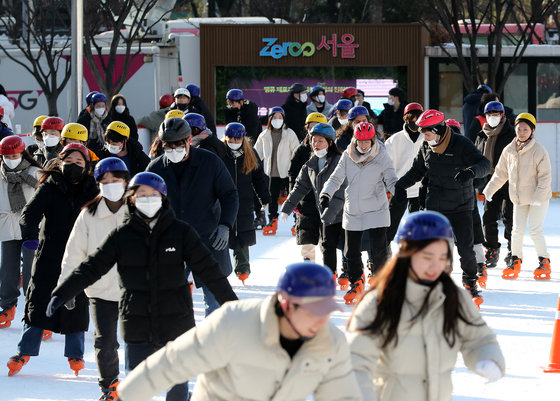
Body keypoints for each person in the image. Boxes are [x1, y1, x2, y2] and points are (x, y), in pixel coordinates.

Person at [48, 171, 238, 401]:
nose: (147, 199)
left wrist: (232, 306)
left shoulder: (180, 232)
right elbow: (93, 266)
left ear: (163, 197)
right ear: (132, 200)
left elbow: (210, 271)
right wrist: (63, 292)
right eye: (141, 195)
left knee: (177, 382)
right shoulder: (122, 236)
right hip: (137, 321)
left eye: (153, 194)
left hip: (176, 319)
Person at [116, 262, 362, 401]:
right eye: (312, 311)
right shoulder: (234, 323)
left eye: (326, 310)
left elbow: (342, 395)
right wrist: (128, 396)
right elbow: (173, 363)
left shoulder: (330, 343)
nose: (321, 321)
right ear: (286, 304)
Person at [347, 211, 505, 401]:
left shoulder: (454, 298)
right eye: (427, 257)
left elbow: (479, 338)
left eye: (442, 258)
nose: (435, 266)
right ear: (406, 253)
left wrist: (487, 357)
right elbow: (356, 363)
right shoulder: (380, 302)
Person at [7, 143, 99, 377]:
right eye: (69, 162)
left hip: (79, 256)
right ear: (60, 163)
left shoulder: (93, 191)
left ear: (87, 166)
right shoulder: (50, 186)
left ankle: (75, 355)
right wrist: (29, 235)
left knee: (76, 305)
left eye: (79, 163)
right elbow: (30, 213)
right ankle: (23, 352)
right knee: (38, 302)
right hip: (49, 254)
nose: (74, 166)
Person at [393, 109, 491, 307]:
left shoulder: (461, 144)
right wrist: (400, 184)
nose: (424, 137)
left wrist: (471, 172)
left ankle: (470, 282)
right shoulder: (426, 146)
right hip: (436, 206)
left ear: (437, 129)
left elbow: (485, 164)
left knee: (465, 248)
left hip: (461, 206)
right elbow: (417, 171)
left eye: (427, 133)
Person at [146, 118, 239, 316]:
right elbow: (142, 206)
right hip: (169, 244)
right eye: (167, 146)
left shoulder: (209, 162)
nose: (172, 150)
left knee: (214, 304)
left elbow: (229, 194)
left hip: (207, 240)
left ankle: (211, 344)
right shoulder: (155, 170)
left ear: (189, 140)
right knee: (168, 305)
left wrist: (225, 225)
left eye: (177, 145)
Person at [57, 157, 129, 400]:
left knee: (142, 340)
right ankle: (109, 387)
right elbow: (74, 253)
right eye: (104, 181)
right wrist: (66, 287)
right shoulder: (89, 215)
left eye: (115, 180)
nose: (110, 184)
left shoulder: (141, 209)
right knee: (105, 342)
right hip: (100, 289)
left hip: (135, 288)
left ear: (125, 181)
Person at [320, 122, 398, 305]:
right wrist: (326, 193)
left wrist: (399, 193)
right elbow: (336, 177)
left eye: (367, 142)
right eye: (360, 141)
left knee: (378, 251)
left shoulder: (382, 156)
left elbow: (391, 179)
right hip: (353, 209)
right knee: (351, 251)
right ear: (355, 140)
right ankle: (357, 282)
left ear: (373, 140)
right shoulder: (347, 155)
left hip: (377, 209)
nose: (363, 145)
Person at [483, 113, 552, 280]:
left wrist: (538, 197)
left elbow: (545, 177)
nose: (521, 132)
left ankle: (544, 261)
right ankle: (515, 260)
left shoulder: (539, 150)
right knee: (516, 231)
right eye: (519, 129)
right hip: (519, 198)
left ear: (532, 130)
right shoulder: (509, 150)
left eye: (525, 129)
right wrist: (489, 190)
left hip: (538, 199)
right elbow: (500, 173)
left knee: (535, 231)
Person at [280, 124, 346, 281]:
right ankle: (330, 276)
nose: (316, 144)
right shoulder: (310, 164)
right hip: (325, 213)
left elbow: (343, 190)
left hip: (343, 212)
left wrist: (330, 211)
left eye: (320, 141)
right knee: (327, 246)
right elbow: (299, 187)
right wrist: (286, 208)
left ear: (330, 143)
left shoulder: (339, 161)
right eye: (313, 141)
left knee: (347, 247)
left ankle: (352, 273)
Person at [221, 122, 271, 284]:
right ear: (226, 137)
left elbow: (259, 179)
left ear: (243, 138)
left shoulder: (251, 154)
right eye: (231, 138)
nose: (234, 141)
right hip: (221, 201)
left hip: (244, 200)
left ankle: (243, 267)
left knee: (241, 233)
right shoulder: (220, 153)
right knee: (221, 234)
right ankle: (218, 268)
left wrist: (265, 198)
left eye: (238, 138)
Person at [0, 136, 42, 329]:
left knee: (31, 272)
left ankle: (37, 312)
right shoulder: (0, 175)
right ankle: (7, 307)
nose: (11, 159)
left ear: (23, 153)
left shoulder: (35, 173)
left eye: (15, 155)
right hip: (7, 227)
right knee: (8, 272)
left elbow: (46, 198)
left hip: (31, 229)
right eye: (7, 156)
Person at [474, 101, 515, 272]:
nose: (492, 117)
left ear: (502, 115)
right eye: (489, 114)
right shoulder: (482, 135)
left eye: (496, 114)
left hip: (509, 180)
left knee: (508, 217)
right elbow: (476, 156)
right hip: (490, 181)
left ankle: (513, 251)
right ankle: (491, 249)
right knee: (489, 216)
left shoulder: (511, 133)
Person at [285, 112, 328, 261]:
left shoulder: (331, 152)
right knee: (307, 238)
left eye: (319, 127)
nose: (315, 130)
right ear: (307, 128)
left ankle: (329, 269)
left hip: (326, 202)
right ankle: (308, 267)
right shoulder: (300, 151)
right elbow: (292, 175)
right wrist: (294, 199)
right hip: (305, 201)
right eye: (312, 126)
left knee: (327, 240)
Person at [254, 106, 300, 235]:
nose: (277, 120)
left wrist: (296, 168)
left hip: (287, 172)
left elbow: (296, 152)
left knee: (293, 197)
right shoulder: (264, 135)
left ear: (284, 119)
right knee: (271, 198)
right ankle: (272, 220)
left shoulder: (290, 134)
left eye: (280, 117)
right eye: (275, 117)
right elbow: (256, 153)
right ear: (270, 119)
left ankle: (297, 222)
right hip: (271, 173)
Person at [385, 102, 424, 248]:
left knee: (418, 223)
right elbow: (387, 165)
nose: (414, 123)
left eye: (417, 119)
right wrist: (390, 184)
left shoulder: (426, 138)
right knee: (391, 221)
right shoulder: (395, 140)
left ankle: (415, 249)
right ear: (405, 119)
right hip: (399, 187)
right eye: (411, 119)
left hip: (420, 188)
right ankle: (385, 248)